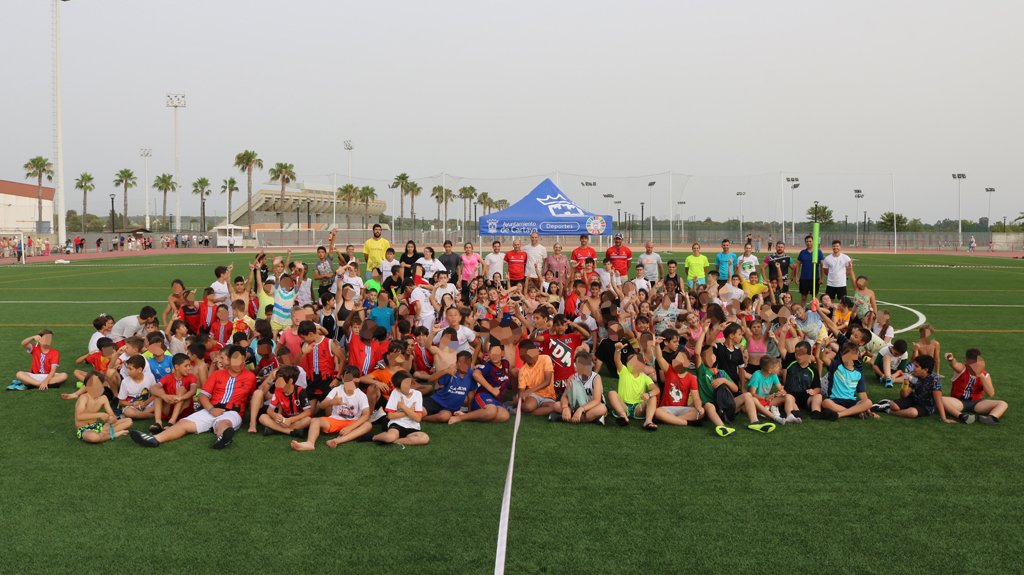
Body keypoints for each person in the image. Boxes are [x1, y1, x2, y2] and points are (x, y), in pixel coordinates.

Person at [129, 345, 257, 449]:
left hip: (232, 412)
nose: (220, 360)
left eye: (223, 357)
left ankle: (222, 438)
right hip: (210, 409)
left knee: (224, 423)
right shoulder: (217, 374)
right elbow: (203, 396)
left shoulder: (250, 377)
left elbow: (253, 398)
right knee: (183, 423)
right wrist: (212, 410)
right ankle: (155, 439)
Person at [693, 319, 775, 435]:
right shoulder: (702, 371)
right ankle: (722, 427)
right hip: (714, 407)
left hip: (727, 404)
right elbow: (698, 352)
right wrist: (705, 330)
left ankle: (755, 422)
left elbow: (736, 389)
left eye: (713, 355)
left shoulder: (721, 372)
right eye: (710, 355)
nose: (713, 356)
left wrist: (724, 380)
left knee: (747, 395)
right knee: (709, 406)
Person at [292, 366, 372, 450]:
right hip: (335, 420)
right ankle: (310, 443)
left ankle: (338, 440)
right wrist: (332, 402)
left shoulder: (361, 395)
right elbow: (321, 405)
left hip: (352, 422)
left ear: (357, 380)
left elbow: (366, 415)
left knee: (368, 425)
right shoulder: (336, 390)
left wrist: (349, 428)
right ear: (342, 378)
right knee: (315, 420)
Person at [872, 356, 953, 422]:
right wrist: (905, 384)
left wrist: (944, 418)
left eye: (917, 366)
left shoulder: (935, 379)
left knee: (912, 413)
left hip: (926, 406)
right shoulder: (914, 376)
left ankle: (887, 410)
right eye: (914, 365)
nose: (914, 368)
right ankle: (888, 403)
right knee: (894, 405)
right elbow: (904, 395)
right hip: (914, 399)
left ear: (925, 370)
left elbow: (938, 399)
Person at [941, 349, 1008, 425]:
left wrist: (981, 377)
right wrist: (951, 359)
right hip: (958, 402)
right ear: (966, 361)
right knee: (940, 399)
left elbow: (991, 394)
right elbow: (954, 364)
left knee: (1003, 404)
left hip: (977, 404)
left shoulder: (985, 375)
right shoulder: (962, 369)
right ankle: (962, 416)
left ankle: (991, 418)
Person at [450, 344, 511, 425]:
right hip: (483, 396)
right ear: (488, 354)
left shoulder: (506, 363)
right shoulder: (487, 366)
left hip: (496, 400)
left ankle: (476, 415)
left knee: (505, 416)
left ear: (502, 353)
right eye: (491, 353)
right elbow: (476, 374)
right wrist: (492, 389)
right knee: (491, 410)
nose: (494, 355)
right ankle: (460, 417)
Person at [372, 371, 430, 446]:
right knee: (390, 437)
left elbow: (418, 418)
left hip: (413, 426)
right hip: (397, 424)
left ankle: (395, 440)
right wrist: (410, 411)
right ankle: (374, 437)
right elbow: (390, 416)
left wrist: (404, 407)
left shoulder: (417, 394)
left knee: (424, 438)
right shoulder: (395, 393)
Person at [652, 341, 702, 427]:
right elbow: (659, 357)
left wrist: (699, 407)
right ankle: (687, 422)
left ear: (688, 363)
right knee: (658, 412)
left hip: (682, 409)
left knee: (700, 412)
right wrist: (657, 345)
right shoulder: (669, 370)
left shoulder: (691, 377)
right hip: (666, 408)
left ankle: (670, 420)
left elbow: (696, 398)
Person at [549, 351, 607, 424]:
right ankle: (592, 420)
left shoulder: (596, 377)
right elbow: (565, 396)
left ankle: (563, 418)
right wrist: (565, 408)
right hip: (576, 406)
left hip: (592, 407)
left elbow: (596, 401)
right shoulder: (573, 377)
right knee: (556, 405)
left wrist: (581, 409)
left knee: (602, 409)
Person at [74, 372, 133, 443]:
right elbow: (79, 416)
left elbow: (113, 416)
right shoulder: (84, 397)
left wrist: (111, 419)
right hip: (85, 430)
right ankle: (115, 434)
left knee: (129, 421)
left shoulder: (103, 398)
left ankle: (103, 434)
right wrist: (100, 414)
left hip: (99, 427)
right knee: (94, 437)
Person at [421, 350, 477, 423]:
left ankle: (424, 419)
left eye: (466, 363)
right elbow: (430, 379)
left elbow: (471, 396)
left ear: (470, 363)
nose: (463, 365)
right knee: (419, 413)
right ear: (457, 363)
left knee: (444, 417)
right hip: (436, 401)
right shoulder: (451, 371)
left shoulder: (471, 375)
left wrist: (468, 413)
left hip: (448, 409)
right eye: (460, 362)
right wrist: (446, 371)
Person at [150, 353, 197, 432]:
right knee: (158, 391)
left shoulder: (191, 377)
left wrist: (180, 397)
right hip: (169, 407)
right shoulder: (167, 377)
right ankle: (158, 423)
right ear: (176, 367)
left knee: (181, 389)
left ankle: (172, 422)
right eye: (186, 366)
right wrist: (164, 396)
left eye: (189, 365)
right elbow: (153, 388)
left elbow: (193, 390)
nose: (189, 368)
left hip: (184, 410)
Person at [747, 356, 800, 424]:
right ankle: (772, 415)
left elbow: (780, 388)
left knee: (788, 396)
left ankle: (790, 415)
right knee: (754, 400)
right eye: (777, 367)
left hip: (767, 401)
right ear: (770, 370)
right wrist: (765, 398)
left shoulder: (773, 375)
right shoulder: (756, 375)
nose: (779, 368)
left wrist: (782, 392)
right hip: (756, 402)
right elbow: (751, 394)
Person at [516, 339, 558, 416]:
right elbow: (521, 390)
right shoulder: (523, 370)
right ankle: (521, 406)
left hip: (549, 396)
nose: (526, 357)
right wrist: (521, 395)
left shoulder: (545, 358)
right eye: (523, 356)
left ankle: (519, 410)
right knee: (528, 407)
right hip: (534, 395)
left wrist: (529, 391)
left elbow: (547, 381)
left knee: (555, 407)